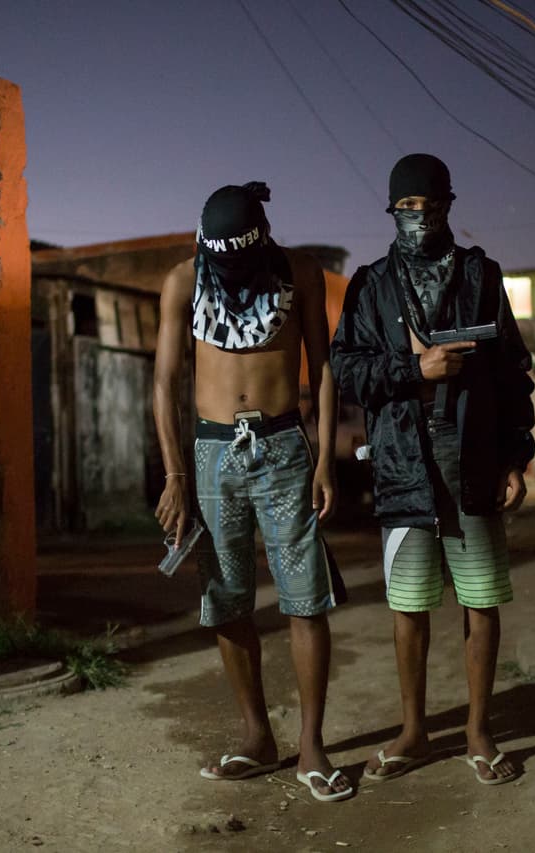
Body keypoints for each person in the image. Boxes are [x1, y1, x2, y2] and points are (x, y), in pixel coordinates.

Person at [331, 154, 535, 786]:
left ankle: (478, 732)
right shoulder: (370, 284)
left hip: (471, 459)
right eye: (408, 210)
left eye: (431, 207)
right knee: (409, 604)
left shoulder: (481, 273)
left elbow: (511, 376)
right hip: (401, 466)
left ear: (450, 206)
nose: (420, 219)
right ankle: (415, 732)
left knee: (480, 600)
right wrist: (412, 371)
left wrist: (516, 456)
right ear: (392, 213)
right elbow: (346, 368)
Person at [152, 182, 352, 802]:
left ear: (263, 235)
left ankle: (312, 748)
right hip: (212, 456)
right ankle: (257, 738)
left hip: (285, 446)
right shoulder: (184, 281)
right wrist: (177, 475)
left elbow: (322, 366)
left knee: (303, 598)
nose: (231, 269)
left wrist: (323, 460)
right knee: (227, 599)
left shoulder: (300, 272)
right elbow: (165, 384)